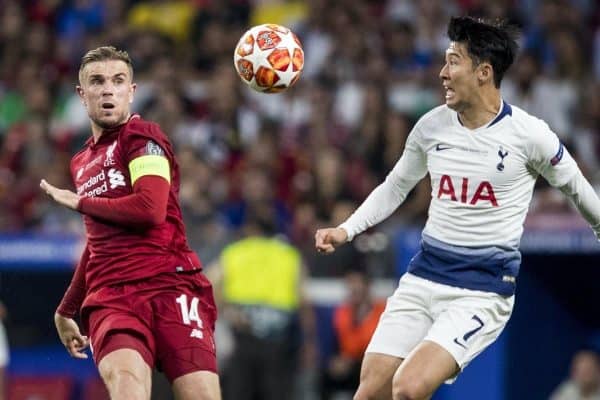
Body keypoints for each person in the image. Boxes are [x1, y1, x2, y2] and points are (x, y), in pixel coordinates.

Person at [315, 16, 600, 400]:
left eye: (453, 62)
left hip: (481, 289)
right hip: (424, 276)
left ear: (483, 72)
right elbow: (396, 185)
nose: (442, 73)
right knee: (370, 390)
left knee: (408, 387)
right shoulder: (431, 127)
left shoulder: (529, 135)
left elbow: (577, 187)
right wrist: (345, 229)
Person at [39, 46, 220, 400]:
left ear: (131, 92)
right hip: (113, 297)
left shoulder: (143, 138)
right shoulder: (81, 162)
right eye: (97, 81)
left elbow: (150, 208)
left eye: (118, 81)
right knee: (127, 386)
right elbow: (98, 241)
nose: (108, 89)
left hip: (171, 286)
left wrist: (80, 202)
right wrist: (66, 308)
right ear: (82, 94)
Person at [206, 211, 316, 400]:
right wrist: (309, 342)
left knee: (240, 391)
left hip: (242, 334)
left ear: (250, 229)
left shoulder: (235, 252)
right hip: (279, 338)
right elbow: (304, 301)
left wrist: (226, 312)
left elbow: (209, 284)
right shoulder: (290, 255)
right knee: (276, 392)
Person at [321, 266, 385, 400]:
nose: (354, 289)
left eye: (358, 284)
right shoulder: (342, 313)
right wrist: (336, 360)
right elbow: (336, 344)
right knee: (325, 373)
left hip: (374, 364)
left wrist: (352, 362)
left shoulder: (383, 312)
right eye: (350, 284)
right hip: (349, 365)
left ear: (367, 286)